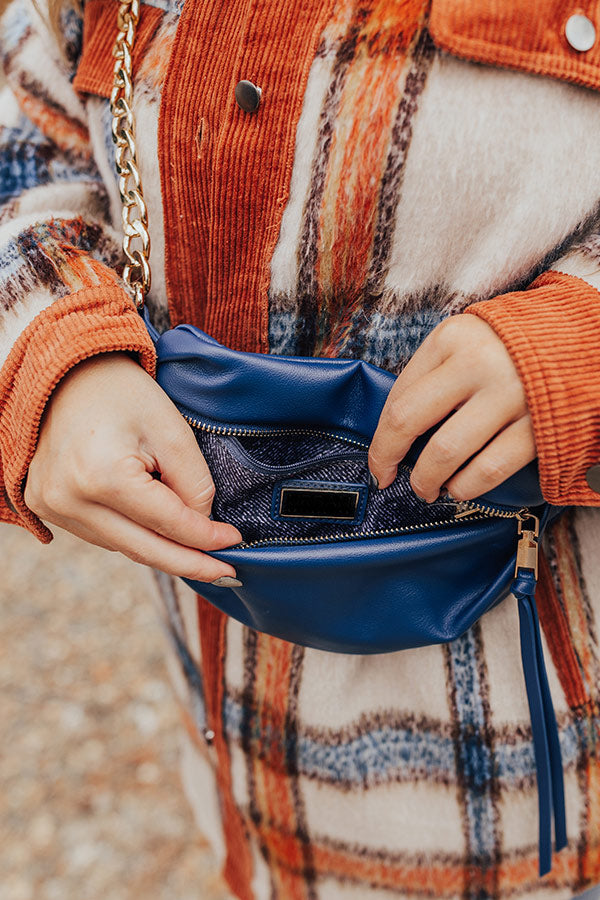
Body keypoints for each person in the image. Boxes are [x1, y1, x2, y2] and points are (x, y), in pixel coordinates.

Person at [1, 0, 600, 896]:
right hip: (242, 767)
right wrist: (46, 350)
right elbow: (28, 136)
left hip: (546, 805)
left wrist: (583, 343)